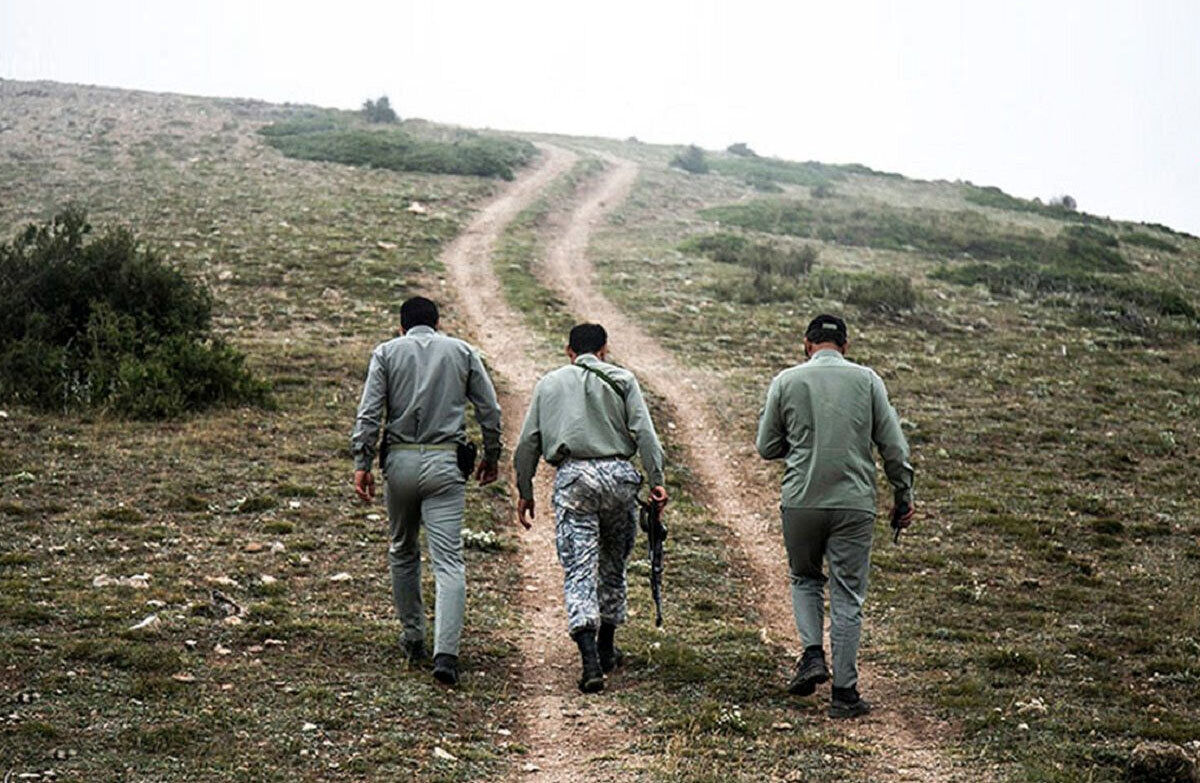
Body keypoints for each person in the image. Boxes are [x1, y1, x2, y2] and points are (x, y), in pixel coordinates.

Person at [756, 313, 914, 718]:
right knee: (847, 596)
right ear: (845, 345)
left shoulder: (786, 381)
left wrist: (802, 444)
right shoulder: (868, 380)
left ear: (807, 345)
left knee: (804, 577)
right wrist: (903, 494)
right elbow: (893, 446)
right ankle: (844, 694)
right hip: (854, 503)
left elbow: (766, 446)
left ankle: (811, 653)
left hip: (801, 501)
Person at [350, 296, 502, 686]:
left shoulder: (385, 353)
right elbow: (490, 410)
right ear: (437, 323)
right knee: (449, 560)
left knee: (403, 549)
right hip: (446, 463)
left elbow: (369, 414)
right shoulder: (462, 351)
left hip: (399, 462)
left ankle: (413, 636)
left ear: (401, 326)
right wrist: (492, 454)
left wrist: (362, 463)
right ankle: (446, 653)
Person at [513, 323, 668, 693]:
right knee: (614, 562)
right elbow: (645, 433)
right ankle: (608, 644)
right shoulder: (623, 380)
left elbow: (526, 444)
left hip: (575, 480)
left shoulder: (549, 384)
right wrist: (657, 479)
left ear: (569, 351)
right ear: (604, 350)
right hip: (618, 477)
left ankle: (589, 661)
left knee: (579, 568)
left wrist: (525, 489)